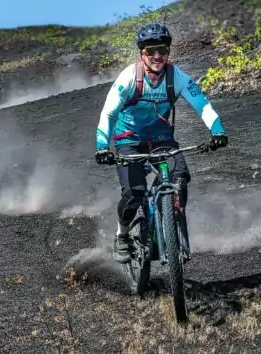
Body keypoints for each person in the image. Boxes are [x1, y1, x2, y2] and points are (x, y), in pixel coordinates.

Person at [94, 23, 228, 263]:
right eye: (151, 51)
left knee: (180, 177)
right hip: (129, 140)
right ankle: (122, 236)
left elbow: (202, 105)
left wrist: (217, 131)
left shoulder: (177, 77)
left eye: (163, 50)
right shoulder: (128, 78)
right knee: (134, 194)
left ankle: (170, 214)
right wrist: (102, 146)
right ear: (142, 53)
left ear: (168, 51)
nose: (158, 56)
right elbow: (108, 114)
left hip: (162, 140)